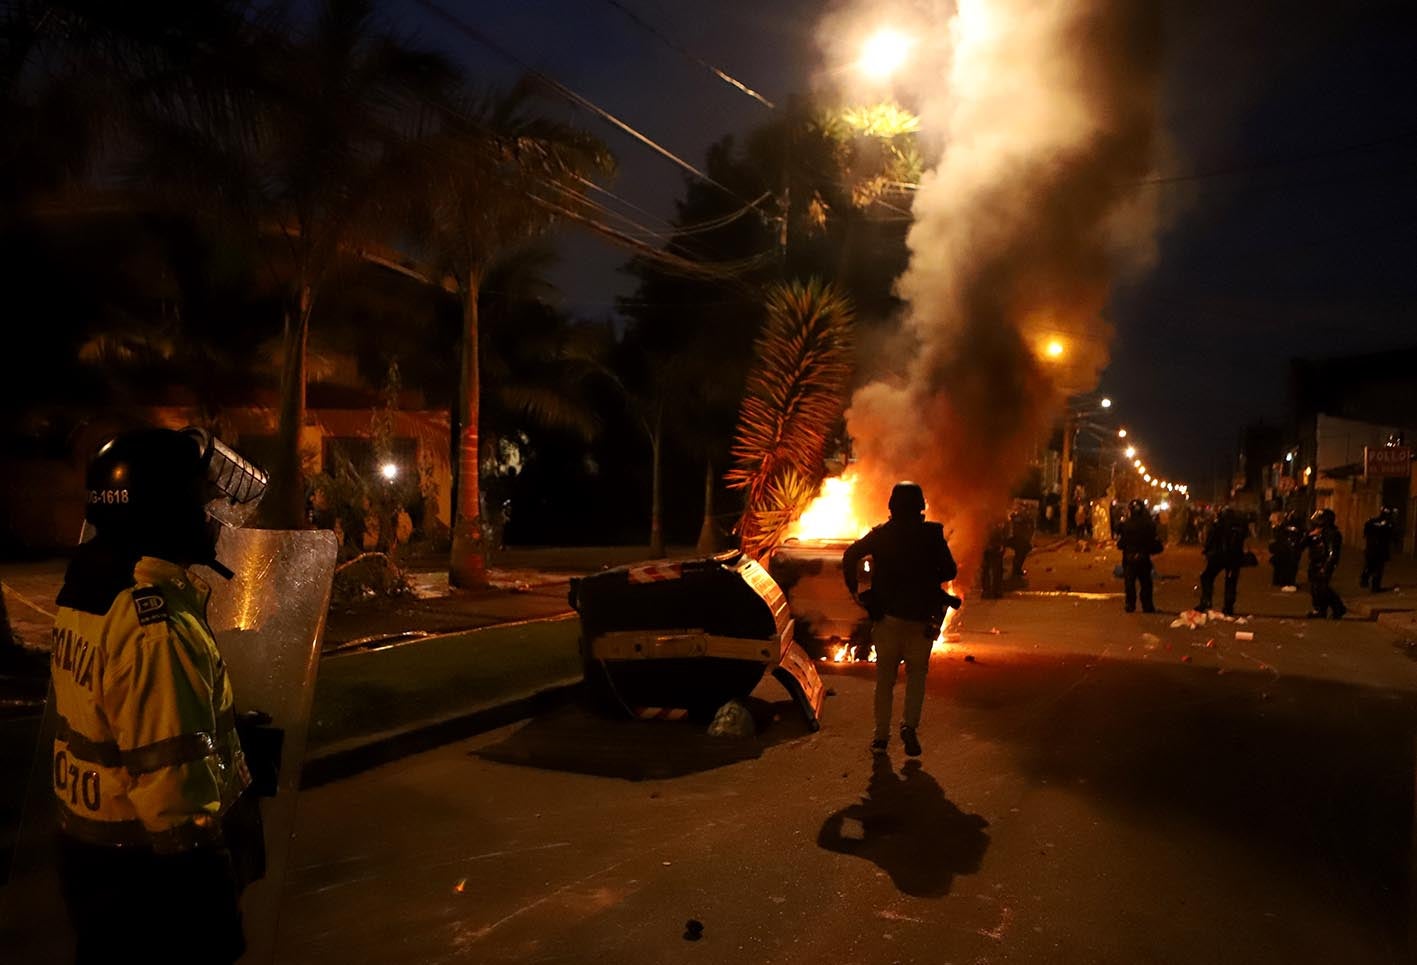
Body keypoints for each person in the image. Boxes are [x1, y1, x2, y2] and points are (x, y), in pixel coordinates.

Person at [50, 427, 267, 964]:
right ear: (165, 512)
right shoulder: (157, 628)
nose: (211, 516)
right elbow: (172, 793)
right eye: (200, 501)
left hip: (92, 860)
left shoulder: (91, 585)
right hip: (155, 882)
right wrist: (211, 906)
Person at [843, 481, 958, 757]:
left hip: (887, 619)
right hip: (921, 620)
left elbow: (850, 555)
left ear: (892, 506)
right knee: (917, 676)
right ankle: (909, 727)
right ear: (921, 507)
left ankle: (881, 737)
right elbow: (950, 570)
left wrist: (856, 592)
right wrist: (928, 578)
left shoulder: (881, 535)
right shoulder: (932, 535)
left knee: (885, 680)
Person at [1198, 505, 1250, 616]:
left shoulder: (1219, 524)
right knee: (1231, 581)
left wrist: (1206, 551)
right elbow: (1245, 539)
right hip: (1234, 558)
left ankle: (1206, 601)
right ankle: (1228, 607)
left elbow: (1211, 539)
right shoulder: (1239, 527)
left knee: (1206, 577)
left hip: (1219, 556)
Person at [1116, 499, 1162, 613]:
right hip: (1143, 557)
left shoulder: (1126, 524)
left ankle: (1130, 605)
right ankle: (1147, 606)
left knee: (1129, 583)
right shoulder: (1149, 524)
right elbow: (1153, 541)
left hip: (1129, 558)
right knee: (1146, 583)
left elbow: (1121, 542)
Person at [1306, 508, 1346, 619]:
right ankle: (1320, 610)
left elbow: (1332, 552)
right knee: (1315, 588)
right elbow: (1302, 544)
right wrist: (1310, 535)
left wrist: (1326, 566)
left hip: (1323, 564)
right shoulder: (1317, 533)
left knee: (1322, 588)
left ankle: (1338, 607)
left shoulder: (1332, 534)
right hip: (1315, 562)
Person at [1361, 506, 1398, 592]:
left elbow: (1365, 533)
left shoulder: (1372, 522)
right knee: (1378, 568)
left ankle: (1365, 580)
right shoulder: (1389, 524)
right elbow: (1392, 536)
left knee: (1369, 565)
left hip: (1371, 548)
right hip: (1380, 549)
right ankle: (1374, 586)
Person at [1269, 510, 1306, 588]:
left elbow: (1288, 538)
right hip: (1283, 550)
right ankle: (1282, 581)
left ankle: (1286, 582)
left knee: (1287, 567)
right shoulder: (1280, 527)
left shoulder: (1286, 527)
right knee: (1282, 566)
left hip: (1287, 550)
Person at [979, 520, 1007, 599]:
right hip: (989, 546)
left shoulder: (997, 519)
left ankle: (992, 591)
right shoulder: (996, 518)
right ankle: (990, 591)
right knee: (989, 569)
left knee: (994, 569)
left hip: (993, 546)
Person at [1007, 507, 1034, 580]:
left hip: (1019, 539)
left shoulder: (1023, 519)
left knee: (1021, 553)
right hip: (1017, 539)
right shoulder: (1017, 518)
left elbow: (1030, 529)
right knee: (1021, 553)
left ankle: (1016, 570)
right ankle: (1016, 570)